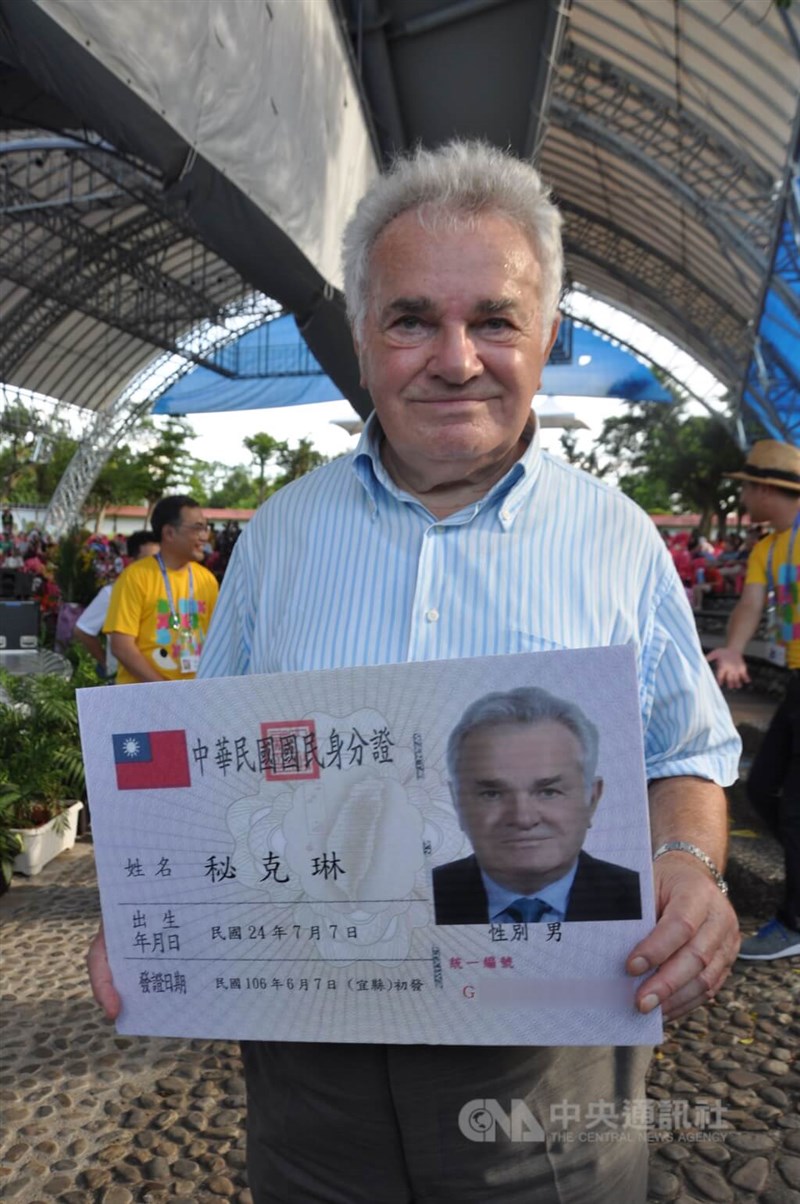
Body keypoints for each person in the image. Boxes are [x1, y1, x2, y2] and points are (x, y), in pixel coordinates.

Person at [90, 141, 740, 1203]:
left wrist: (686, 865)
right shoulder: (280, 538)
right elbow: (211, 765)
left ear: (546, 335)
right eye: (410, 320)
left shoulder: (613, 538)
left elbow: (682, 751)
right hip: (312, 1076)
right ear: (360, 340)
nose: (455, 357)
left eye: (493, 318)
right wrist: (151, 902)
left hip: (545, 1073)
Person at [433, 687, 641, 924]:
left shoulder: (643, 899)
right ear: (456, 801)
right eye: (492, 794)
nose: (523, 818)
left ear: (592, 798)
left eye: (548, 792)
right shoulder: (419, 901)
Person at [708, 439, 800, 960]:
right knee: (764, 790)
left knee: (794, 811)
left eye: (745, 486)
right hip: (795, 679)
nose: (742, 494)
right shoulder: (770, 547)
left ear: (765, 488)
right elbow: (750, 603)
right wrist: (734, 651)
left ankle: (793, 920)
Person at [103, 495, 218, 684]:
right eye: (198, 528)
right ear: (170, 533)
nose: (205, 536)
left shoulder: (207, 580)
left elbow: (217, 640)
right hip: (144, 701)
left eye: (206, 528)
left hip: (195, 699)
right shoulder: (136, 577)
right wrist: (164, 690)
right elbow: (121, 646)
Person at [73, 529, 159, 677]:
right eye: (148, 561)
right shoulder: (112, 593)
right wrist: (106, 664)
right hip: (127, 681)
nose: (155, 567)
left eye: (159, 560)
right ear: (131, 561)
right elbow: (83, 630)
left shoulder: (170, 592)